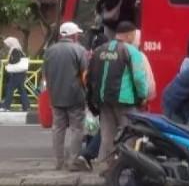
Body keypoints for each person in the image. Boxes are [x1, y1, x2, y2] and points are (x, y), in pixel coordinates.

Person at [86, 21, 150, 163]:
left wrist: (93, 98)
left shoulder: (100, 50)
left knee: (107, 135)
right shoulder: (131, 51)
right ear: (130, 35)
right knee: (129, 134)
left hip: (103, 99)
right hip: (125, 100)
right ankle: (125, 166)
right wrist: (143, 96)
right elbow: (139, 78)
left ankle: (107, 166)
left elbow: (90, 75)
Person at [42, 22, 89, 171]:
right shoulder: (79, 50)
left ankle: (58, 161)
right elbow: (85, 75)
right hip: (75, 96)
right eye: (77, 34)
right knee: (77, 129)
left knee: (57, 128)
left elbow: (45, 75)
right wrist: (87, 91)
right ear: (73, 35)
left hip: (55, 96)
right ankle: (73, 161)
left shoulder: (49, 51)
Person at [1, 37, 29, 112]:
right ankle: (26, 106)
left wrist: (9, 63)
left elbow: (16, 60)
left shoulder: (14, 50)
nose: (7, 45)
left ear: (11, 43)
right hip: (21, 73)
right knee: (21, 90)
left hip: (17, 74)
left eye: (7, 43)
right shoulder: (19, 50)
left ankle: (6, 106)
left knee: (10, 88)